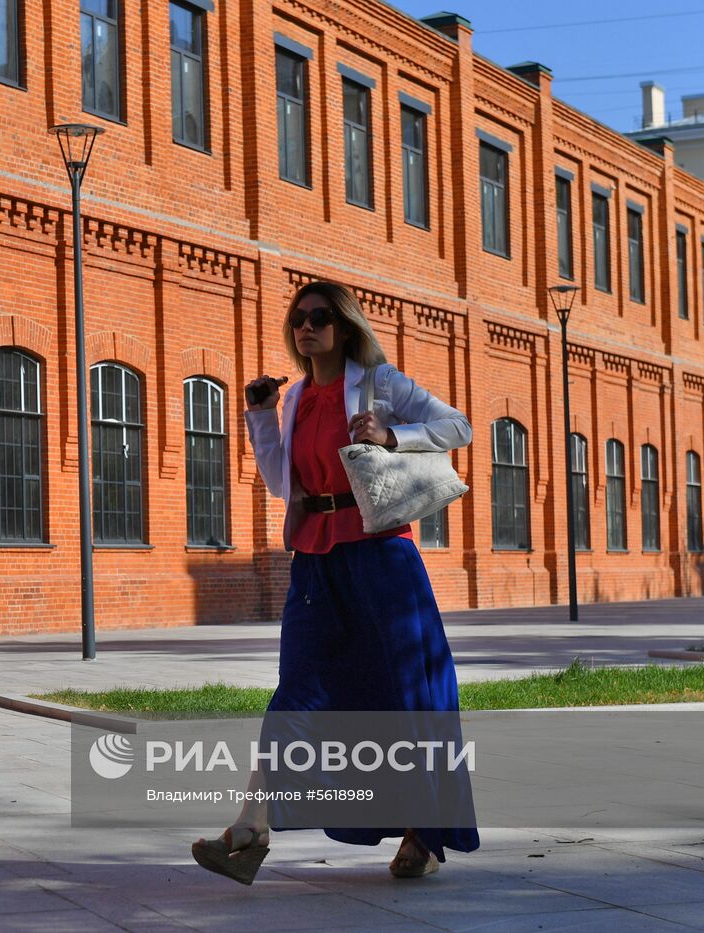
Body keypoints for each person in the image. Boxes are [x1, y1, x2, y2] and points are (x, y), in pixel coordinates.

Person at [191, 280, 480, 884]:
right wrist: (260, 417)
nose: (307, 327)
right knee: (297, 688)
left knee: (402, 697)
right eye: (299, 318)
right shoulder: (295, 398)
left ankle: (421, 834)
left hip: (381, 559)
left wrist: (391, 434)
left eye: (320, 317)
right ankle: (250, 826)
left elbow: (459, 428)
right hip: (316, 560)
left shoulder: (381, 383)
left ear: (344, 326)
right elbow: (280, 482)